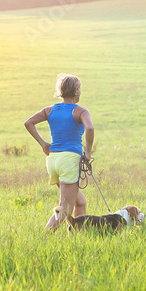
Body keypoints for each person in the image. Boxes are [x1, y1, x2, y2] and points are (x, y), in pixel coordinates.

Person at [23, 73, 95, 232]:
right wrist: (88, 153)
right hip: (69, 160)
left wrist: (43, 144)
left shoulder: (49, 110)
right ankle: (44, 237)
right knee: (66, 208)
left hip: (53, 160)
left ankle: (77, 238)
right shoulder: (80, 111)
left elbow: (28, 123)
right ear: (76, 90)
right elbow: (89, 128)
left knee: (80, 203)